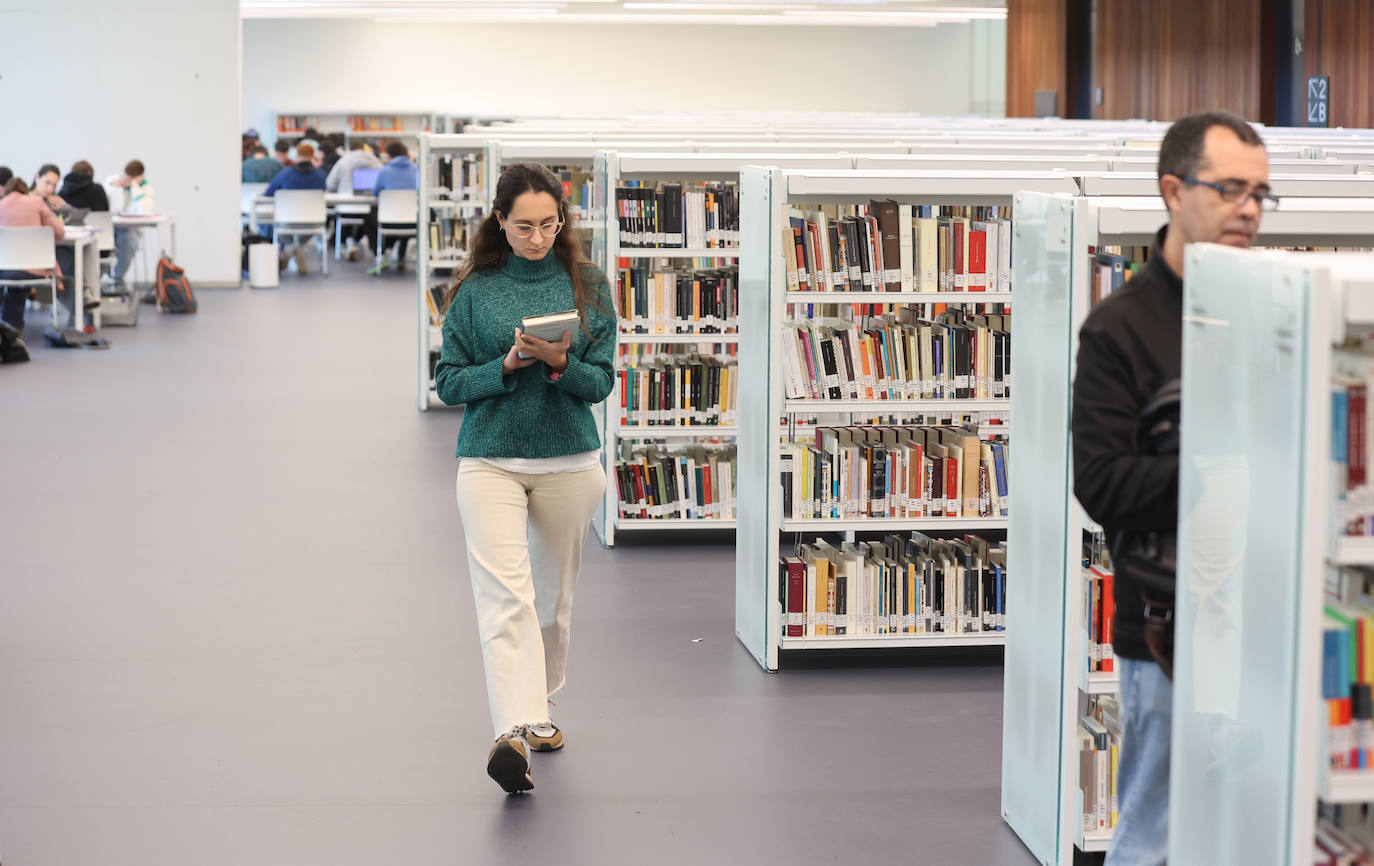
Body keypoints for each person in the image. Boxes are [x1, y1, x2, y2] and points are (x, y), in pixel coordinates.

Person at [1071, 110, 1272, 866]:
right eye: (1229, 189)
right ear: (1172, 191)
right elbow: (1102, 484)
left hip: (1272, 631)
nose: (1248, 208)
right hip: (1169, 633)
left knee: (1256, 834)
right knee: (1155, 833)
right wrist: (1228, 467)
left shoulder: (1280, 311)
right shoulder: (1120, 330)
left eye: (1260, 193)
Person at [434, 163, 615, 795]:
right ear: (499, 222)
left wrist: (564, 363)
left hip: (569, 462)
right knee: (504, 597)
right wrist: (505, 365)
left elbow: (602, 382)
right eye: (523, 226)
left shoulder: (589, 285)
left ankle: (539, 706)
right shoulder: (476, 290)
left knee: (551, 600)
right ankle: (513, 730)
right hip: (488, 459)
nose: (537, 237)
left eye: (548, 224)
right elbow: (449, 380)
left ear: (562, 221)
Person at [0, 177, 65, 332]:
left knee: (14, 275)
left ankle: (10, 330)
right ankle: (13, 329)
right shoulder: (36, 202)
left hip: (4, 267)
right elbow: (58, 232)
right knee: (21, 274)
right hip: (34, 267)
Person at [264, 142, 327, 275]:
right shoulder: (321, 175)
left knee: (271, 225)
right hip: (313, 224)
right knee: (309, 230)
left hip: (286, 223)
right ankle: (298, 246)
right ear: (312, 156)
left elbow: (268, 193)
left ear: (297, 156)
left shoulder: (286, 173)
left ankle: (290, 246)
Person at [365, 140, 419, 275]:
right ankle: (401, 256)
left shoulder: (384, 171)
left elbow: (376, 193)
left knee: (369, 216)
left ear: (389, 156)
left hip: (388, 221)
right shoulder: (416, 170)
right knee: (407, 213)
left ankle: (380, 252)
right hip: (412, 221)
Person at [326, 141, 382, 260]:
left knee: (340, 218)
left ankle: (348, 241)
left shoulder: (343, 161)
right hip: (369, 207)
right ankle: (361, 243)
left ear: (350, 149)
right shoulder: (375, 161)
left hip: (346, 205)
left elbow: (330, 183)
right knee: (369, 219)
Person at [106, 159, 155, 288]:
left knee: (128, 240)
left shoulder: (145, 189)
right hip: (111, 230)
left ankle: (116, 279)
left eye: (130, 179)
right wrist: (116, 186)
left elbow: (144, 211)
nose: (125, 181)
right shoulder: (113, 182)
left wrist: (134, 186)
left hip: (131, 231)